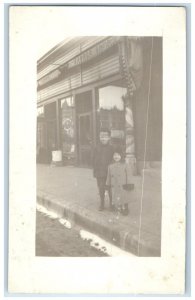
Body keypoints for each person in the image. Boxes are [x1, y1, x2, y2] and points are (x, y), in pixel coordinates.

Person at [106, 147, 134, 216]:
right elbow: (108, 176)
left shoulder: (125, 165)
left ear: (121, 156)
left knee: (124, 197)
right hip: (114, 184)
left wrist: (129, 183)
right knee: (116, 196)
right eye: (114, 155)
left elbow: (129, 175)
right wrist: (107, 184)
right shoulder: (110, 166)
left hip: (123, 184)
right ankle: (120, 207)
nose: (116, 157)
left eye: (118, 155)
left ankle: (126, 208)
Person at [93, 128, 114, 211]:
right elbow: (93, 160)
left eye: (105, 136)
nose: (103, 138)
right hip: (100, 172)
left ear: (109, 137)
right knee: (101, 188)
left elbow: (114, 159)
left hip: (109, 172)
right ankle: (102, 203)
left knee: (110, 189)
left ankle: (112, 204)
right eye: (101, 136)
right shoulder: (96, 148)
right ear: (99, 137)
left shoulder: (112, 148)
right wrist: (95, 171)